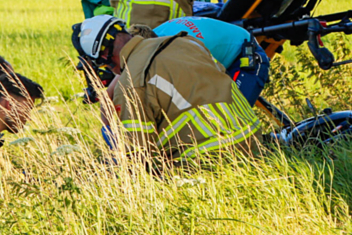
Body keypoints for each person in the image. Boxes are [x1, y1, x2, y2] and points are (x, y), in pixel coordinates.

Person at [71, 16, 262, 162]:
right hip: (253, 144)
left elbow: (138, 156)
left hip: (210, 161)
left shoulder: (131, 85)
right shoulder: (185, 42)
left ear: (104, 55)